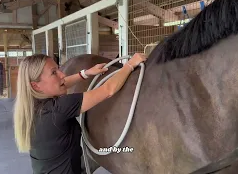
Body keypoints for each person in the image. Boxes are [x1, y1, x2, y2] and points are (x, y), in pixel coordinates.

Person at [13, 53, 147, 174]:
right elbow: (108, 90)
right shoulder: (59, 108)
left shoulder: (31, 106)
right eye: (54, 72)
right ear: (36, 86)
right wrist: (130, 64)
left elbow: (62, 83)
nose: (62, 75)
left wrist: (85, 73)